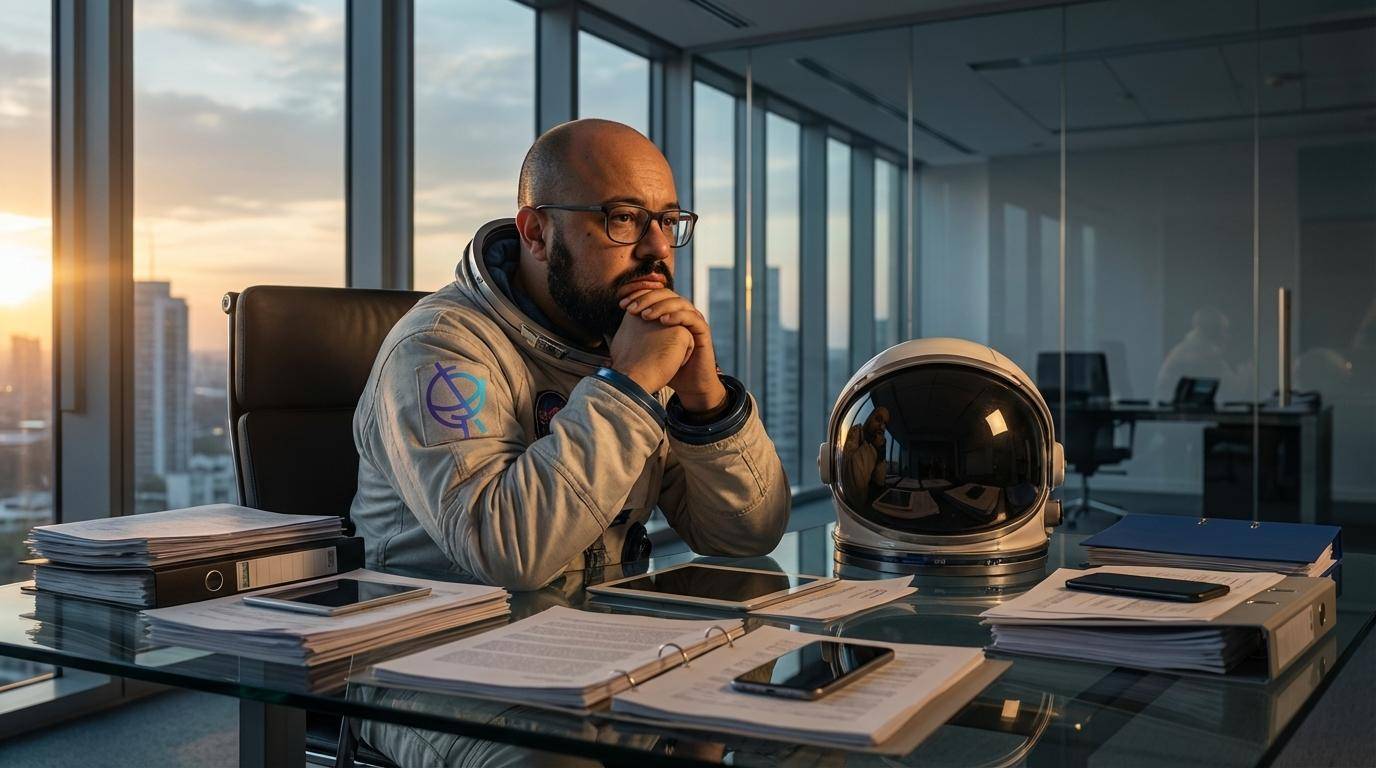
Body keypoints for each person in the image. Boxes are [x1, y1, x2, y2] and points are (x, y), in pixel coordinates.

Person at [348, 118, 791, 592]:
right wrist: (628, 387)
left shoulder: (629, 342)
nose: (659, 246)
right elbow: (507, 553)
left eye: (667, 220)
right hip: (440, 646)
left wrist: (707, 404)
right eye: (623, 217)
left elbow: (747, 535)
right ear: (537, 232)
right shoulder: (438, 346)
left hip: (598, 641)